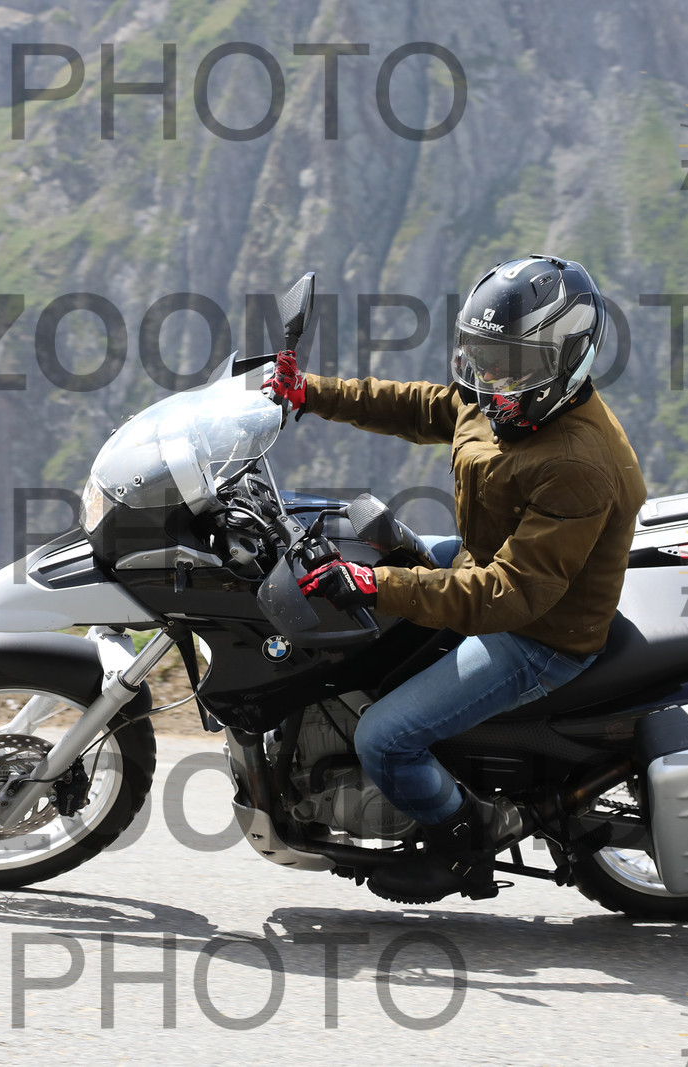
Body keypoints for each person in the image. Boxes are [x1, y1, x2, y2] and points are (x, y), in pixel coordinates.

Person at [263, 254, 646, 903]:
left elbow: (508, 595)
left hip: (538, 633)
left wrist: (377, 585)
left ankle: (464, 842)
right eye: (482, 356)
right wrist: (312, 392)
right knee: (353, 548)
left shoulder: (577, 464)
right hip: (482, 563)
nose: (489, 378)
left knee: (386, 738)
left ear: (566, 360)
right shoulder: (510, 399)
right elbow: (430, 407)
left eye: (510, 363)